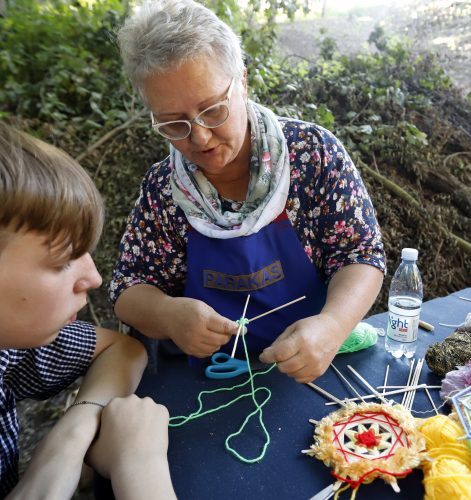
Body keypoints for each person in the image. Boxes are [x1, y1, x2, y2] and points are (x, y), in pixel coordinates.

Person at [110, 0, 386, 384]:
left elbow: (360, 253)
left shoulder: (312, 155)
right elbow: (128, 287)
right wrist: (169, 316)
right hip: (208, 381)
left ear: (241, 81)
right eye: (174, 123)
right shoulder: (163, 189)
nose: (200, 137)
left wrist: (333, 325)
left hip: (310, 368)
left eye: (212, 110)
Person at [0, 122, 176, 500]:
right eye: (63, 261)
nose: (94, 278)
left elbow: (123, 349)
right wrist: (138, 464)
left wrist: (70, 433)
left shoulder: (8, 348)